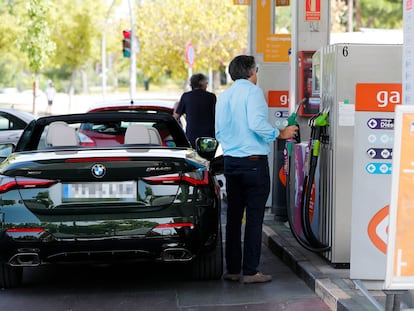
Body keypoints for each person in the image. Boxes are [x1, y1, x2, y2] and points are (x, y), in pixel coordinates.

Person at [215, 55, 298, 284]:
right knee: (253, 218)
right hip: (253, 163)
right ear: (252, 71)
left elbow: (218, 133)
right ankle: (251, 271)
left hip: (231, 162)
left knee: (232, 217)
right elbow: (256, 124)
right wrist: (281, 133)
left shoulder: (224, 96)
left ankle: (232, 270)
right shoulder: (253, 92)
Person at [173, 73, 216, 148]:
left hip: (192, 137)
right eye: (206, 83)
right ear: (201, 83)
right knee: (208, 158)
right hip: (209, 137)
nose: (207, 85)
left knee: (192, 158)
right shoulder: (211, 97)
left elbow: (176, 116)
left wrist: (176, 106)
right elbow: (216, 115)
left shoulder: (186, 96)